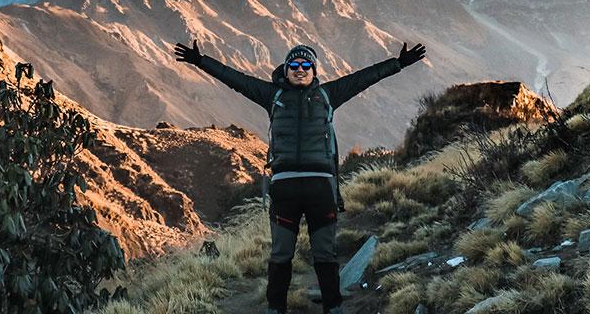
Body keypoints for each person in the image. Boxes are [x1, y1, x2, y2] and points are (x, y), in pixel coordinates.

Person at [173, 39, 426, 314]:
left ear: (314, 71)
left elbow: (363, 78)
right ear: (286, 69)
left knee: (325, 254)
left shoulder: (329, 94)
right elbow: (235, 79)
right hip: (285, 189)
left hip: (320, 188)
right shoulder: (272, 95)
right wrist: (201, 61)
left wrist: (399, 63)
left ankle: (333, 308)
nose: (300, 69)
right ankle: (276, 308)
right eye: (294, 65)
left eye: (307, 65)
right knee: (281, 254)